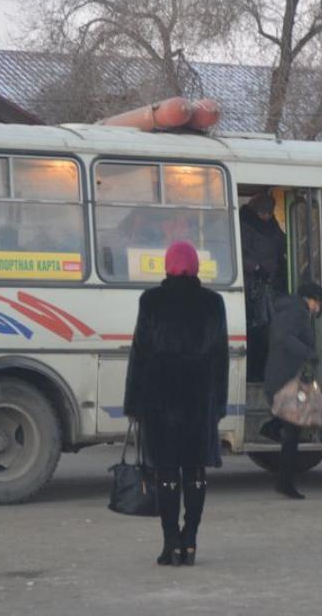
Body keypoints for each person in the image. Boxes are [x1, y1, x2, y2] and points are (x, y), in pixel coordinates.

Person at [123, 241, 230, 566]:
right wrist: (219, 404)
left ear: (167, 266)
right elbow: (220, 357)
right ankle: (191, 541)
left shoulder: (151, 301)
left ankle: (170, 543)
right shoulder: (213, 303)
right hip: (199, 397)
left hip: (160, 396)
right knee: (195, 472)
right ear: (195, 266)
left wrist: (133, 402)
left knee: (166, 473)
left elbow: (139, 353)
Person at [263, 281, 322, 499]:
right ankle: (285, 483)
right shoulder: (296, 313)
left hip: (281, 378)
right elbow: (283, 337)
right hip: (285, 380)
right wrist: (308, 353)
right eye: (319, 303)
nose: (318, 309)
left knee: (291, 430)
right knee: (292, 434)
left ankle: (285, 480)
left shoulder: (291, 309)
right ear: (312, 300)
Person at [240, 192, 287, 380]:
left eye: (270, 212)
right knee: (257, 331)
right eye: (265, 213)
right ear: (256, 210)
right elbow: (239, 255)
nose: (268, 216)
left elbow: (282, 243)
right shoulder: (244, 226)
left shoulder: (272, 225)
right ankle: (255, 374)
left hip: (270, 286)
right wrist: (257, 268)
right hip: (253, 288)